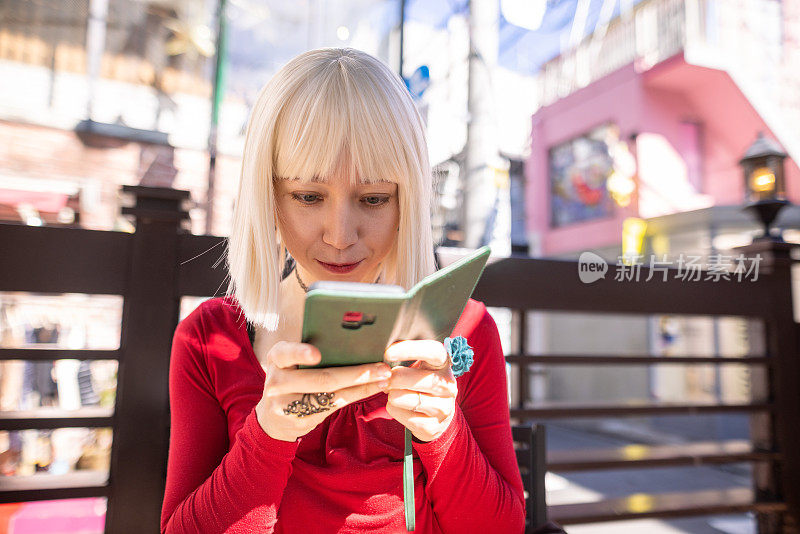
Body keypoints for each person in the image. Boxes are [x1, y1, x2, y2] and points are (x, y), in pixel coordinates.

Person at [160, 47, 525, 533]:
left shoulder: (461, 328)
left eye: (373, 198)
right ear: (267, 196)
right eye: (308, 197)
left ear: (408, 200)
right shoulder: (209, 340)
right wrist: (270, 433)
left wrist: (443, 432)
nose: (340, 234)